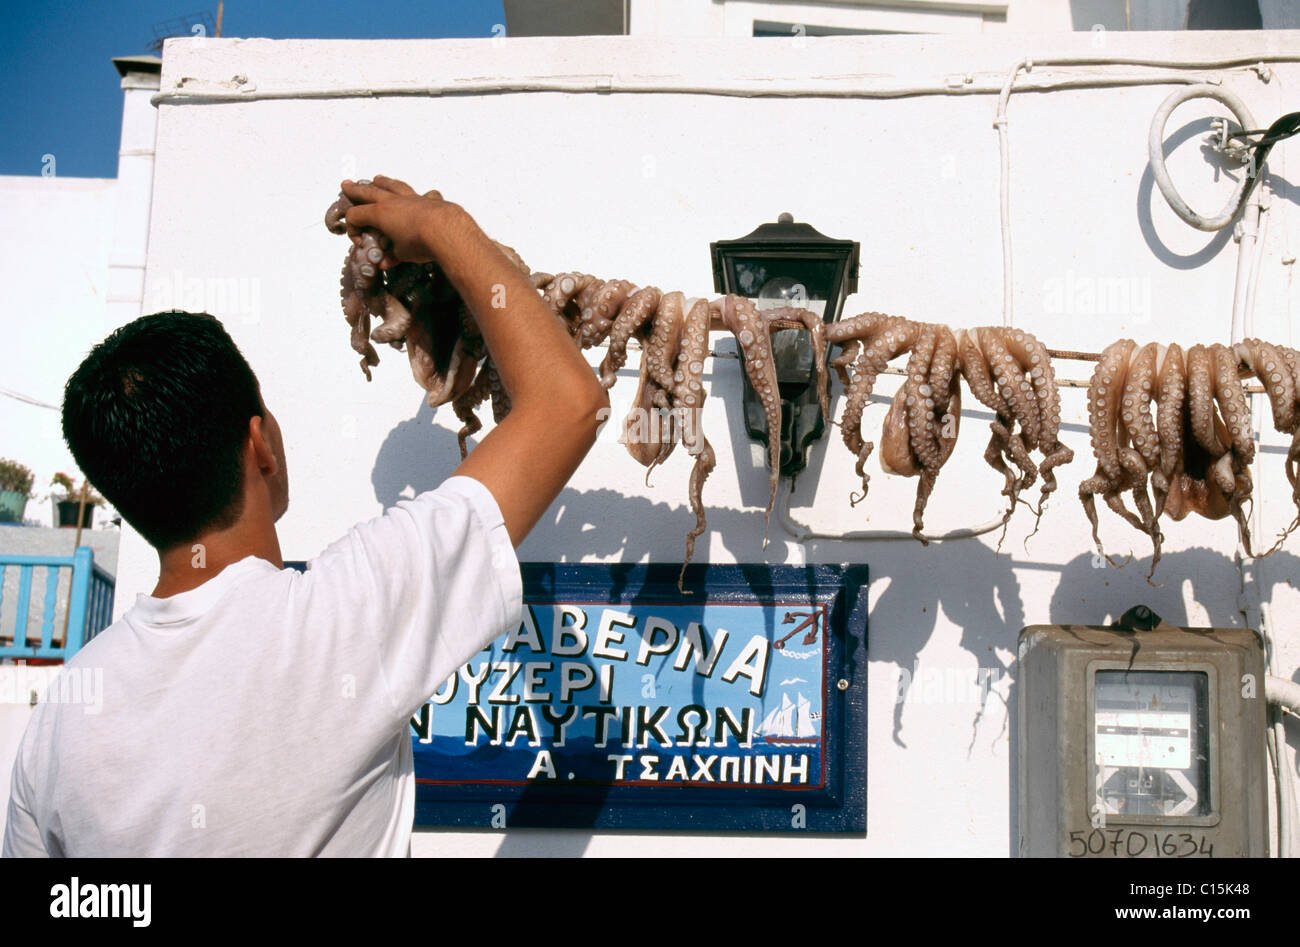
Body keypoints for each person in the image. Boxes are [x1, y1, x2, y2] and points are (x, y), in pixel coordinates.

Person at [2, 176, 609, 856]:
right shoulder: (340, 618)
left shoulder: (56, 729)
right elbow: (570, 403)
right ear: (259, 443)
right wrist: (442, 223)